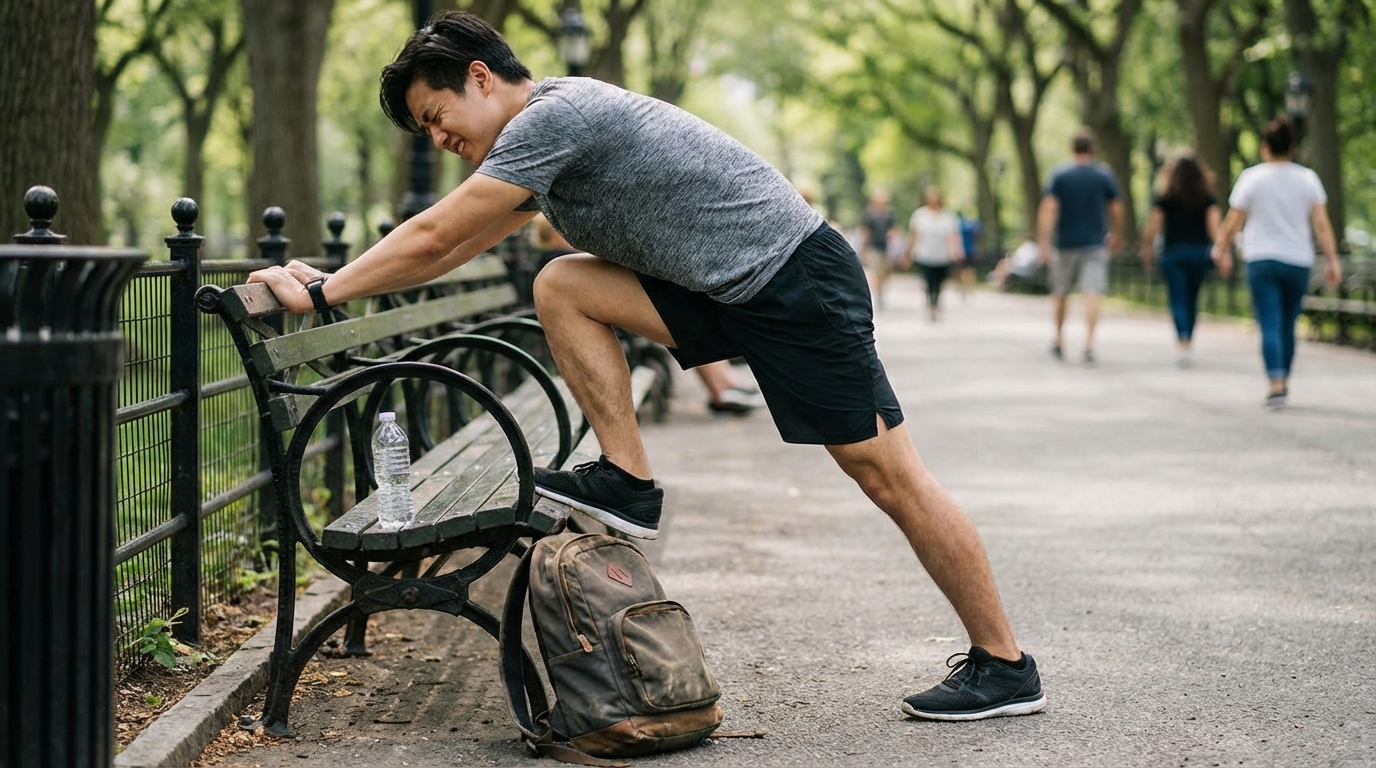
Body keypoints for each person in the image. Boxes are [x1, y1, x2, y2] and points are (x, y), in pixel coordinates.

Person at [245, 12, 1043, 721]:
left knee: (889, 476)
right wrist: (335, 280)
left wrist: (320, 292)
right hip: (728, 288)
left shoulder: (554, 117)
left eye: (435, 115)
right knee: (564, 285)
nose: (437, 138)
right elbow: (449, 246)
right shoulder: (538, 143)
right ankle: (627, 478)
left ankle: (1005, 665)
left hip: (795, 282)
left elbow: (433, 233)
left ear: (480, 78)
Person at [537, 216, 760, 415]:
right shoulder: (556, 260)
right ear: (550, 235)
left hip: (607, 313)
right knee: (678, 315)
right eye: (558, 230)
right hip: (600, 317)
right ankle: (722, 386)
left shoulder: (565, 260)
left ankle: (724, 385)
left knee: (678, 310)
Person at [1212, 116, 1341, 408]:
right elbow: (1321, 224)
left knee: (1269, 321)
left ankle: (1276, 381)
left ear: (1264, 147)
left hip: (1261, 259)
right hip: (1298, 259)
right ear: (1293, 148)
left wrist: (1220, 247)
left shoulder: (1252, 178)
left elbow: (1233, 220)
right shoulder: (1308, 179)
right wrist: (1332, 260)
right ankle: (1284, 378)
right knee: (1288, 322)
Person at [1037, 129, 1124, 366]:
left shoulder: (1059, 175)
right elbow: (1116, 208)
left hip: (1065, 243)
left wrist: (1043, 241)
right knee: (1092, 293)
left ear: (1072, 148)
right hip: (1095, 243)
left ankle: (1058, 340)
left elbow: (1048, 209)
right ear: (1093, 149)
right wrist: (1117, 235)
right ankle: (1089, 345)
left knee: (1060, 293)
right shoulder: (1103, 175)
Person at [1139, 156, 1221, 368]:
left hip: (1173, 254)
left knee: (1178, 298)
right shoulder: (1207, 198)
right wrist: (1222, 251)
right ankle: (1188, 340)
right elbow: (1215, 228)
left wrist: (1147, 247)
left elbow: (1153, 227)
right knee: (1192, 298)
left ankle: (1183, 341)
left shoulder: (1166, 198)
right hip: (1199, 254)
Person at [905, 186, 964, 322]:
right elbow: (914, 235)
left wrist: (956, 250)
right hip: (925, 254)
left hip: (943, 255)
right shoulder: (920, 215)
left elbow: (953, 236)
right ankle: (930, 304)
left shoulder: (948, 216)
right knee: (928, 280)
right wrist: (908, 253)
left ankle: (936, 302)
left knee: (939, 281)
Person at [861, 190, 899, 308]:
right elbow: (866, 232)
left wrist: (893, 239)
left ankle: (881, 290)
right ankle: (878, 295)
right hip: (873, 246)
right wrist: (864, 248)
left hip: (886, 247)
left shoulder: (889, 214)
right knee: (875, 272)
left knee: (885, 272)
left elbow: (895, 229)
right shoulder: (870, 215)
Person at [957, 211, 982, 298]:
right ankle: (965, 287)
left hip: (970, 250)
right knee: (965, 269)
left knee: (969, 269)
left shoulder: (969, 225)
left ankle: (968, 287)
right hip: (963, 250)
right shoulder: (963, 225)